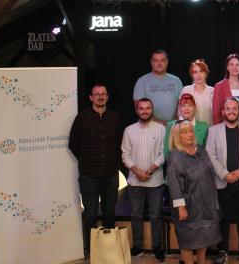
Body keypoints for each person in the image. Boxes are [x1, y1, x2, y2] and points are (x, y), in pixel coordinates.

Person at [68, 84, 123, 257]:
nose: (100, 97)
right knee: (90, 215)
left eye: (103, 94)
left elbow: (120, 144)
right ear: (91, 98)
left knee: (109, 214)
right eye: (96, 94)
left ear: (107, 97)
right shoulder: (82, 118)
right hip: (89, 176)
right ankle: (92, 252)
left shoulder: (114, 118)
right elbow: (73, 144)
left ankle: (108, 251)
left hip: (110, 175)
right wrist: (86, 160)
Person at [206, 97, 239, 264]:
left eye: (235, 108)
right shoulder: (213, 131)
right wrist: (224, 174)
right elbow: (210, 156)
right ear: (223, 112)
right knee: (223, 217)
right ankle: (222, 250)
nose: (231, 111)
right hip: (223, 180)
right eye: (228, 109)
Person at [167, 121, 221, 264]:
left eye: (191, 131)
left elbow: (209, 176)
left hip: (206, 203)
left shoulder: (202, 151)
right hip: (188, 206)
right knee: (188, 240)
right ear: (177, 136)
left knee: (204, 237)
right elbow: (174, 184)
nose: (190, 134)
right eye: (184, 132)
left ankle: (202, 262)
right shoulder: (175, 157)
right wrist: (181, 207)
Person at [121, 98, 166, 261]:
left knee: (156, 216)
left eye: (148, 108)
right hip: (135, 180)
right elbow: (125, 154)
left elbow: (164, 153)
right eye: (142, 108)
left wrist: (151, 169)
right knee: (136, 215)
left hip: (156, 180)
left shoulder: (161, 129)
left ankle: (157, 247)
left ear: (152, 110)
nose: (145, 111)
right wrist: (138, 172)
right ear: (137, 110)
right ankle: (138, 246)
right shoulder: (129, 130)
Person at [133, 49, 183, 124]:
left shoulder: (176, 80)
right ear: (151, 62)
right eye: (156, 60)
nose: (159, 63)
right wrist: (158, 123)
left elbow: (182, 103)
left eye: (162, 60)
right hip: (150, 125)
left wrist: (173, 121)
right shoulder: (142, 81)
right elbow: (138, 106)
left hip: (173, 125)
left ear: (167, 62)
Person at [164, 93, 210, 159]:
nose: (186, 109)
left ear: (194, 107)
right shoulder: (171, 125)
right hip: (176, 165)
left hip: (198, 165)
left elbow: (205, 151)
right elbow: (167, 151)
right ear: (179, 108)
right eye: (183, 106)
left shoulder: (204, 126)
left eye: (190, 106)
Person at [212, 53, 239, 124]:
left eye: (237, 65)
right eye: (231, 64)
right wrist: (218, 131)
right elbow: (216, 112)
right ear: (227, 67)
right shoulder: (219, 86)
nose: (235, 67)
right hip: (226, 127)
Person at [180, 59, 214, 125]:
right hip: (190, 131)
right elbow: (180, 112)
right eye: (195, 72)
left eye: (201, 71)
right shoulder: (186, 90)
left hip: (210, 131)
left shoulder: (213, 91)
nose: (198, 75)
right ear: (192, 75)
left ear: (206, 73)